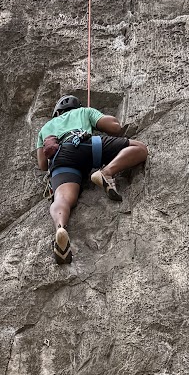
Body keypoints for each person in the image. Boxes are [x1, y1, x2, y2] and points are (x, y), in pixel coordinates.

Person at [35, 94, 148, 262]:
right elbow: (114, 127)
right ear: (76, 106)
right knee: (140, 148)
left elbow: (43, 164)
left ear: (57, 112)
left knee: (62, 198)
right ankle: (107, 172)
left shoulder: (46, 128)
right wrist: (94, 115)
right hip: (87, 145)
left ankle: (60, 228)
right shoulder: (84, 111)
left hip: (62, 159)